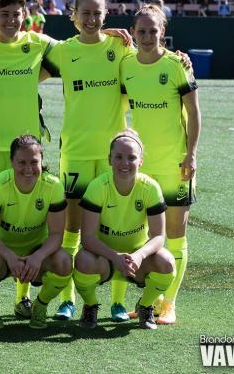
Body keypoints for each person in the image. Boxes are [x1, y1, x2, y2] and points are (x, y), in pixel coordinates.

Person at [42, 0, 135, 322]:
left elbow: (143, 68)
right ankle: (68, 300)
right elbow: (28, 76)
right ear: (74, 15)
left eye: (98, 13)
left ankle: (117, 302)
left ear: (106, 14)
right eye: (86, 13)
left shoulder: (120, 46)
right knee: (72, 229)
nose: (92, 19)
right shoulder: (64, 51)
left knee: (114, 229)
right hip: (77, 152)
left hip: (114, 155)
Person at [0, 0, 57, 319]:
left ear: (25, 15)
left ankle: (22, 296)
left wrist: (108, 31)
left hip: (27, 152)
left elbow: (82, 46)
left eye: (16, 14)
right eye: (4, 14)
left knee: (31, 222)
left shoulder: (38, 44)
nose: (10, 20)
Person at [120, 4, 200, 324]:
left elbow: (194, 113)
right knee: (143, 239)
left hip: (175, 165)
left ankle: (169, 305)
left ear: (162, 32)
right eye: (141, 31)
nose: (147, 36)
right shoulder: (127, 66)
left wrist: (190, 154)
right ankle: (148, 302)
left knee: (176, 236)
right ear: (134, 33)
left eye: (153, 30)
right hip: (141, 168)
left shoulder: (178, 65)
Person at [73, 129, 176, 330]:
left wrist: (138, 256)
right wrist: (114, 256)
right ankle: (90, 306)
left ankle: (145, 307)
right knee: (83, 260)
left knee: (166, 261)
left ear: (141, 161)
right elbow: (87, 237)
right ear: (109, 159)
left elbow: (158, 237)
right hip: (105, 259)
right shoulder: (97, 187)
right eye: (118, 157)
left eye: (131, 157)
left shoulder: (151, 188)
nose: (124, 163)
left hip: (137, 262)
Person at [0, 135, 72, 329]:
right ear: (11, 162)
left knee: (64, 262)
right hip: (1, 252)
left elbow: (57, 234)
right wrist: (10, 256)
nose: (28, 169)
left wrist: (38, 256)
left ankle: (40, 306)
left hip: (36, 252)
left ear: (42, 161)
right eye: (21, 162)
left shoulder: (53, 186)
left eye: (34, 162)